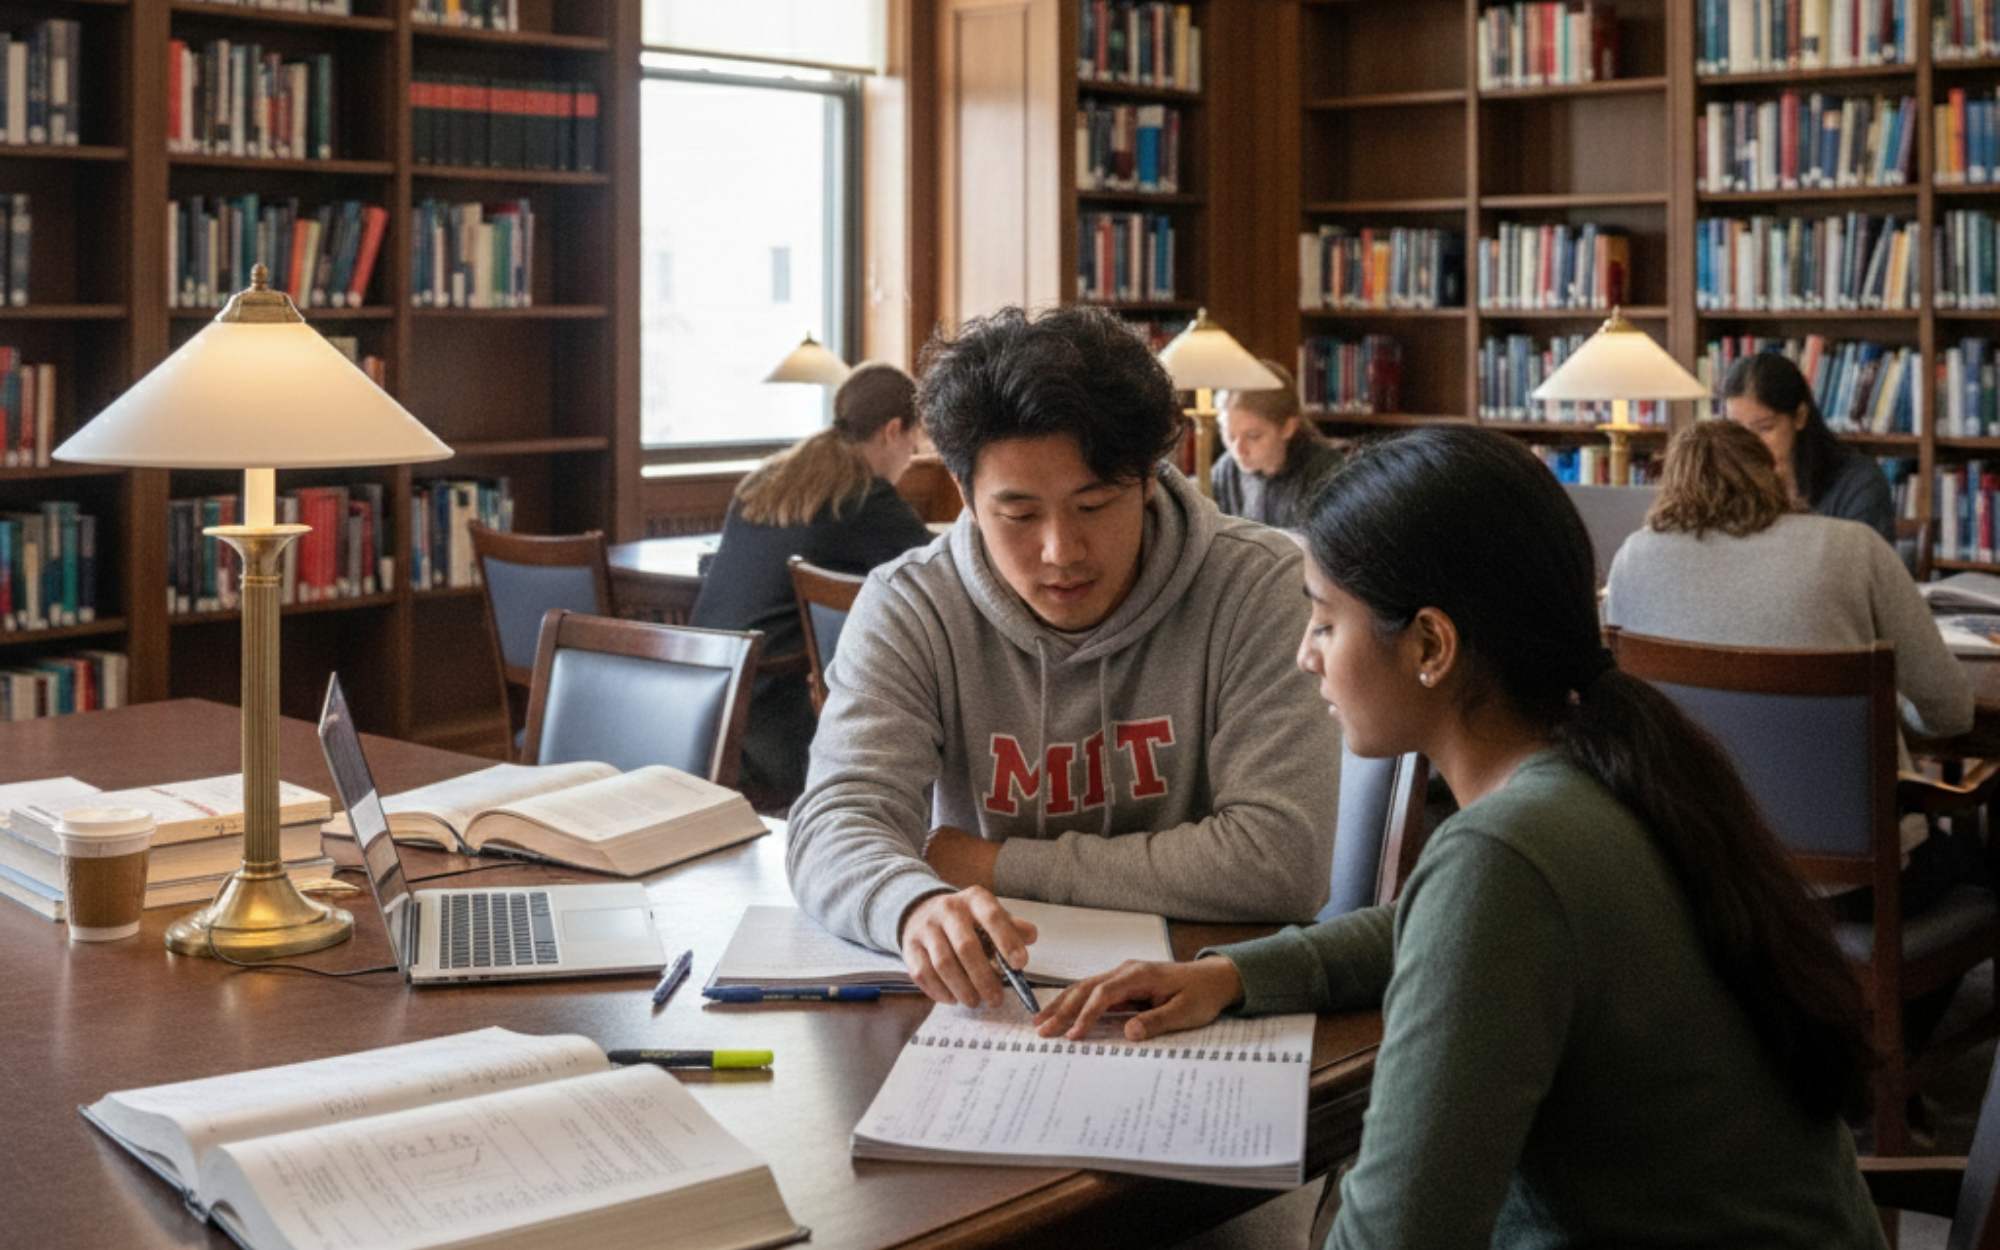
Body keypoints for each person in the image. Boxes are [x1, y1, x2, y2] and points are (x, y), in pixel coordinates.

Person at [1034, 425, 1885, 1249]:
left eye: (1326, 621)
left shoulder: (1510, 852)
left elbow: (1399, 1235)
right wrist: (1229, 975)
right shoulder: (1603, 765)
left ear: (1432, 644)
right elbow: (1431, 929)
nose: (1305, 656)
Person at [785, 304, 1341, 1007]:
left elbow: (1279, 861)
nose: (1060, 552)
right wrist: (908, 905)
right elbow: (836, 819)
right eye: (1017, 514)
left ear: (1147, 478)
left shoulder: (1257, 586)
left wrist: (990, 862)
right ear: (964, 494)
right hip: (995, 1004)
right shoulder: (910, 605)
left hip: (1205, 1000)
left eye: (1095, 504)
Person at [1605, 419, 1974, 910]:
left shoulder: (1632, 560)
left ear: (1668, 481)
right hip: (1855, 890)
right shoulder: (1852, 547)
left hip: (1700, 883)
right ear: (1770, 473)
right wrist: (1889, 709)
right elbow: (1952, 715)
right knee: (1973, 868)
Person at [689, 362, 934, 806]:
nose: (911, 457)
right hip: (771, 734)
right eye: (914, 444)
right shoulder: (863, 498)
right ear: (894, 430)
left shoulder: (769, 479)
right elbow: (938, 573)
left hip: (701, 710)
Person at [1722, 350, 1897, 543]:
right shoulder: (1723, 480)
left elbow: (1865, 567)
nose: (1748, 442)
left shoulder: (1858, 482)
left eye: (1764, 427)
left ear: (1800, 417)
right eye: (1735, 429)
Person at [1209, 361, 1345, 528]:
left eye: (1253, 436)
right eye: (1229, 435)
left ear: (1288, 428)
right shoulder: (1227, 469)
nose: (1238, 451)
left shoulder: (1327, 472)